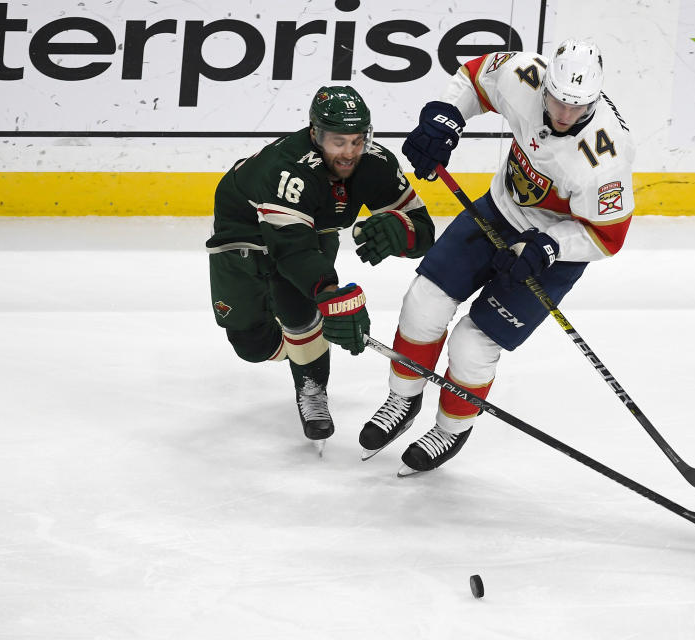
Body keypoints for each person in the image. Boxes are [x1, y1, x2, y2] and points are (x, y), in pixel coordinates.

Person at [359, 40, 635, 474]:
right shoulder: (525, 75)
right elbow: (474, 78)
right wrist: (447, 115)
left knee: (472, 343)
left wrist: (550, 247)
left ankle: (450, 429)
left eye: (577, 108)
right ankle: (402, 398)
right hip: (499, 210)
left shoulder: (606, 158)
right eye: (559, 100)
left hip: (553, 248)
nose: (564, 115)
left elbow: (607, 235)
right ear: (546, 84)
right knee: (423, 302)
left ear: (595, 101)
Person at [207, 85, 435, 453]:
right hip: (244, 228)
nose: (349, 152)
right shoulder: (289, 168)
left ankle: (310, 384)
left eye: (357, 141)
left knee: (299, 306)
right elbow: (292, 249)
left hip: (312, 223)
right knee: (249, 345)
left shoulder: (376, 163)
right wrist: (330, 295)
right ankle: (301, 342)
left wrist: (403, 232)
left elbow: (424, 230)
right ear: (315, 134)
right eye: (338, 141)